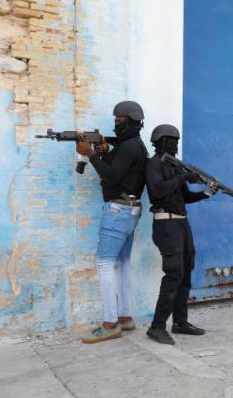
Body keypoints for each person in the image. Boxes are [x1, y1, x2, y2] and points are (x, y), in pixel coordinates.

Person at [76, 101, 148, 343]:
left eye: (119, 120)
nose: (116, 124)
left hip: (118, 210)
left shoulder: (129, 146)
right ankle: (125, 317)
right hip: (131, 210)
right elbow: (119, 169)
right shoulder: (135, 146)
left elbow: (111, 175)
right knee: (123, 264)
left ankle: (110, 323)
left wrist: (91, 154)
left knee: (104, 264)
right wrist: (105, 151)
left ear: (129, 121)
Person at [145, 124, 218, 345]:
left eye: (177, 141)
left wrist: (206, 193)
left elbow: (184, 197)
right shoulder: (154, 164)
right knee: (174, 273)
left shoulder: (174, 167)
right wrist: (184, 177)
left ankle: (180, 322)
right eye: (171, 141)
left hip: (181, 224)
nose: (176, 145)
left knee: (185, 272)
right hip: (165, 224)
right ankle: (157, 327)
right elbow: (156, 191)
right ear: (160, 142)